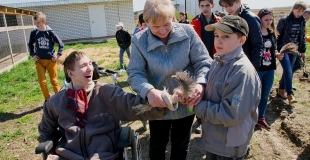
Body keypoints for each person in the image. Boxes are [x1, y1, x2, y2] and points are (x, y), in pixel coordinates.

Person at [39, 51, 180, 160]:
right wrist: (51, 152)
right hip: (68, 156)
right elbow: (46, 131)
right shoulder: (56, 102)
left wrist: (164, 102)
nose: (90, 69)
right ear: (70, 73)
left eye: (90, 64)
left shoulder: (106, 93)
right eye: (83, 66)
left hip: (102, 155)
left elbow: (134, 107)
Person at [126, 0, 213, 159]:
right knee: (157, 145)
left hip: (186, 103)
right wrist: (149, 91)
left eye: (167, 24)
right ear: (146, 23)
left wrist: (200, 84)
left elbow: (204, 62)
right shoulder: (139, 40)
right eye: (156, 27)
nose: (162, 31)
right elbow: (134, 72)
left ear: (173, 18)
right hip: (158, 105)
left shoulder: (188, 32)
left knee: (181, 146)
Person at [186, 15, 261, 160]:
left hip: (229, 145)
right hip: (215, 140)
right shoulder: (218, 60)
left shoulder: (241, 71)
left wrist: (196, 106)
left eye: (226, 36)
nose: (218, 40)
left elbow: (231, 114)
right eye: (216, 35)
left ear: (241, 40)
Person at [190, 0, 221, 134]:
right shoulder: (195, 22)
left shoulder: (219, 21)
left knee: (214, 89)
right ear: (199, 6)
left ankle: (212, 117)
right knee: (200, 87)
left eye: (207, 5)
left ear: (212, 5)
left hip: (217, 60)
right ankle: (199, 119)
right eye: (202, 6)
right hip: (200, 61)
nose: (204, 8)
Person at [256, 8, 284, 130]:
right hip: (258, 70)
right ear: (260, 19)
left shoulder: (272, 34)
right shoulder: (255, 33)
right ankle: (250, 118)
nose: (268, 22)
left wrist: (277, 54)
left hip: (270, 69)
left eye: (271, 20)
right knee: (254, 95)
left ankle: (260, 118)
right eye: (266, 19)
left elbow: (274, 49)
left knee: (265, 95)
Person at [28, 12, 64, 104]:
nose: (37, 25)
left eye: (38, 23)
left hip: (50, 61)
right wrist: (33, 54)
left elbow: (61, 44)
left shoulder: (50, 32)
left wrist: (58, 55)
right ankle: (47, 99)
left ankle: (59, 99)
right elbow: (30, 44)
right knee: (42, 81)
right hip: (39, 61)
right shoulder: (34, 33)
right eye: (35, 23)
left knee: (54, 80)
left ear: (44, 22)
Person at [219, 0, 263, 72]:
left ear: (238, 1)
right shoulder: (228, 19)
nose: (228, 9)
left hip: (247, 64)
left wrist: (255, 67)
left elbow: (257, 44)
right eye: (226, 6)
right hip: (232, 64)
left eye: (230, 5)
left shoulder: (251, 18)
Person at [276, 0, 307, 104]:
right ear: (293, 9)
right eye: (298, 10)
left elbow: (302, 37)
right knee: (288, 71)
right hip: (284, 49)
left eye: (302, 11)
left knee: (288, 71)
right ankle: (290, 94)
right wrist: (277, 50)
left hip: (295, 50)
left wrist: (302, 51)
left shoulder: (302, 21)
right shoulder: (284, 20)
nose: (300, 13)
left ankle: (281, 90)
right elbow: (278, 34)